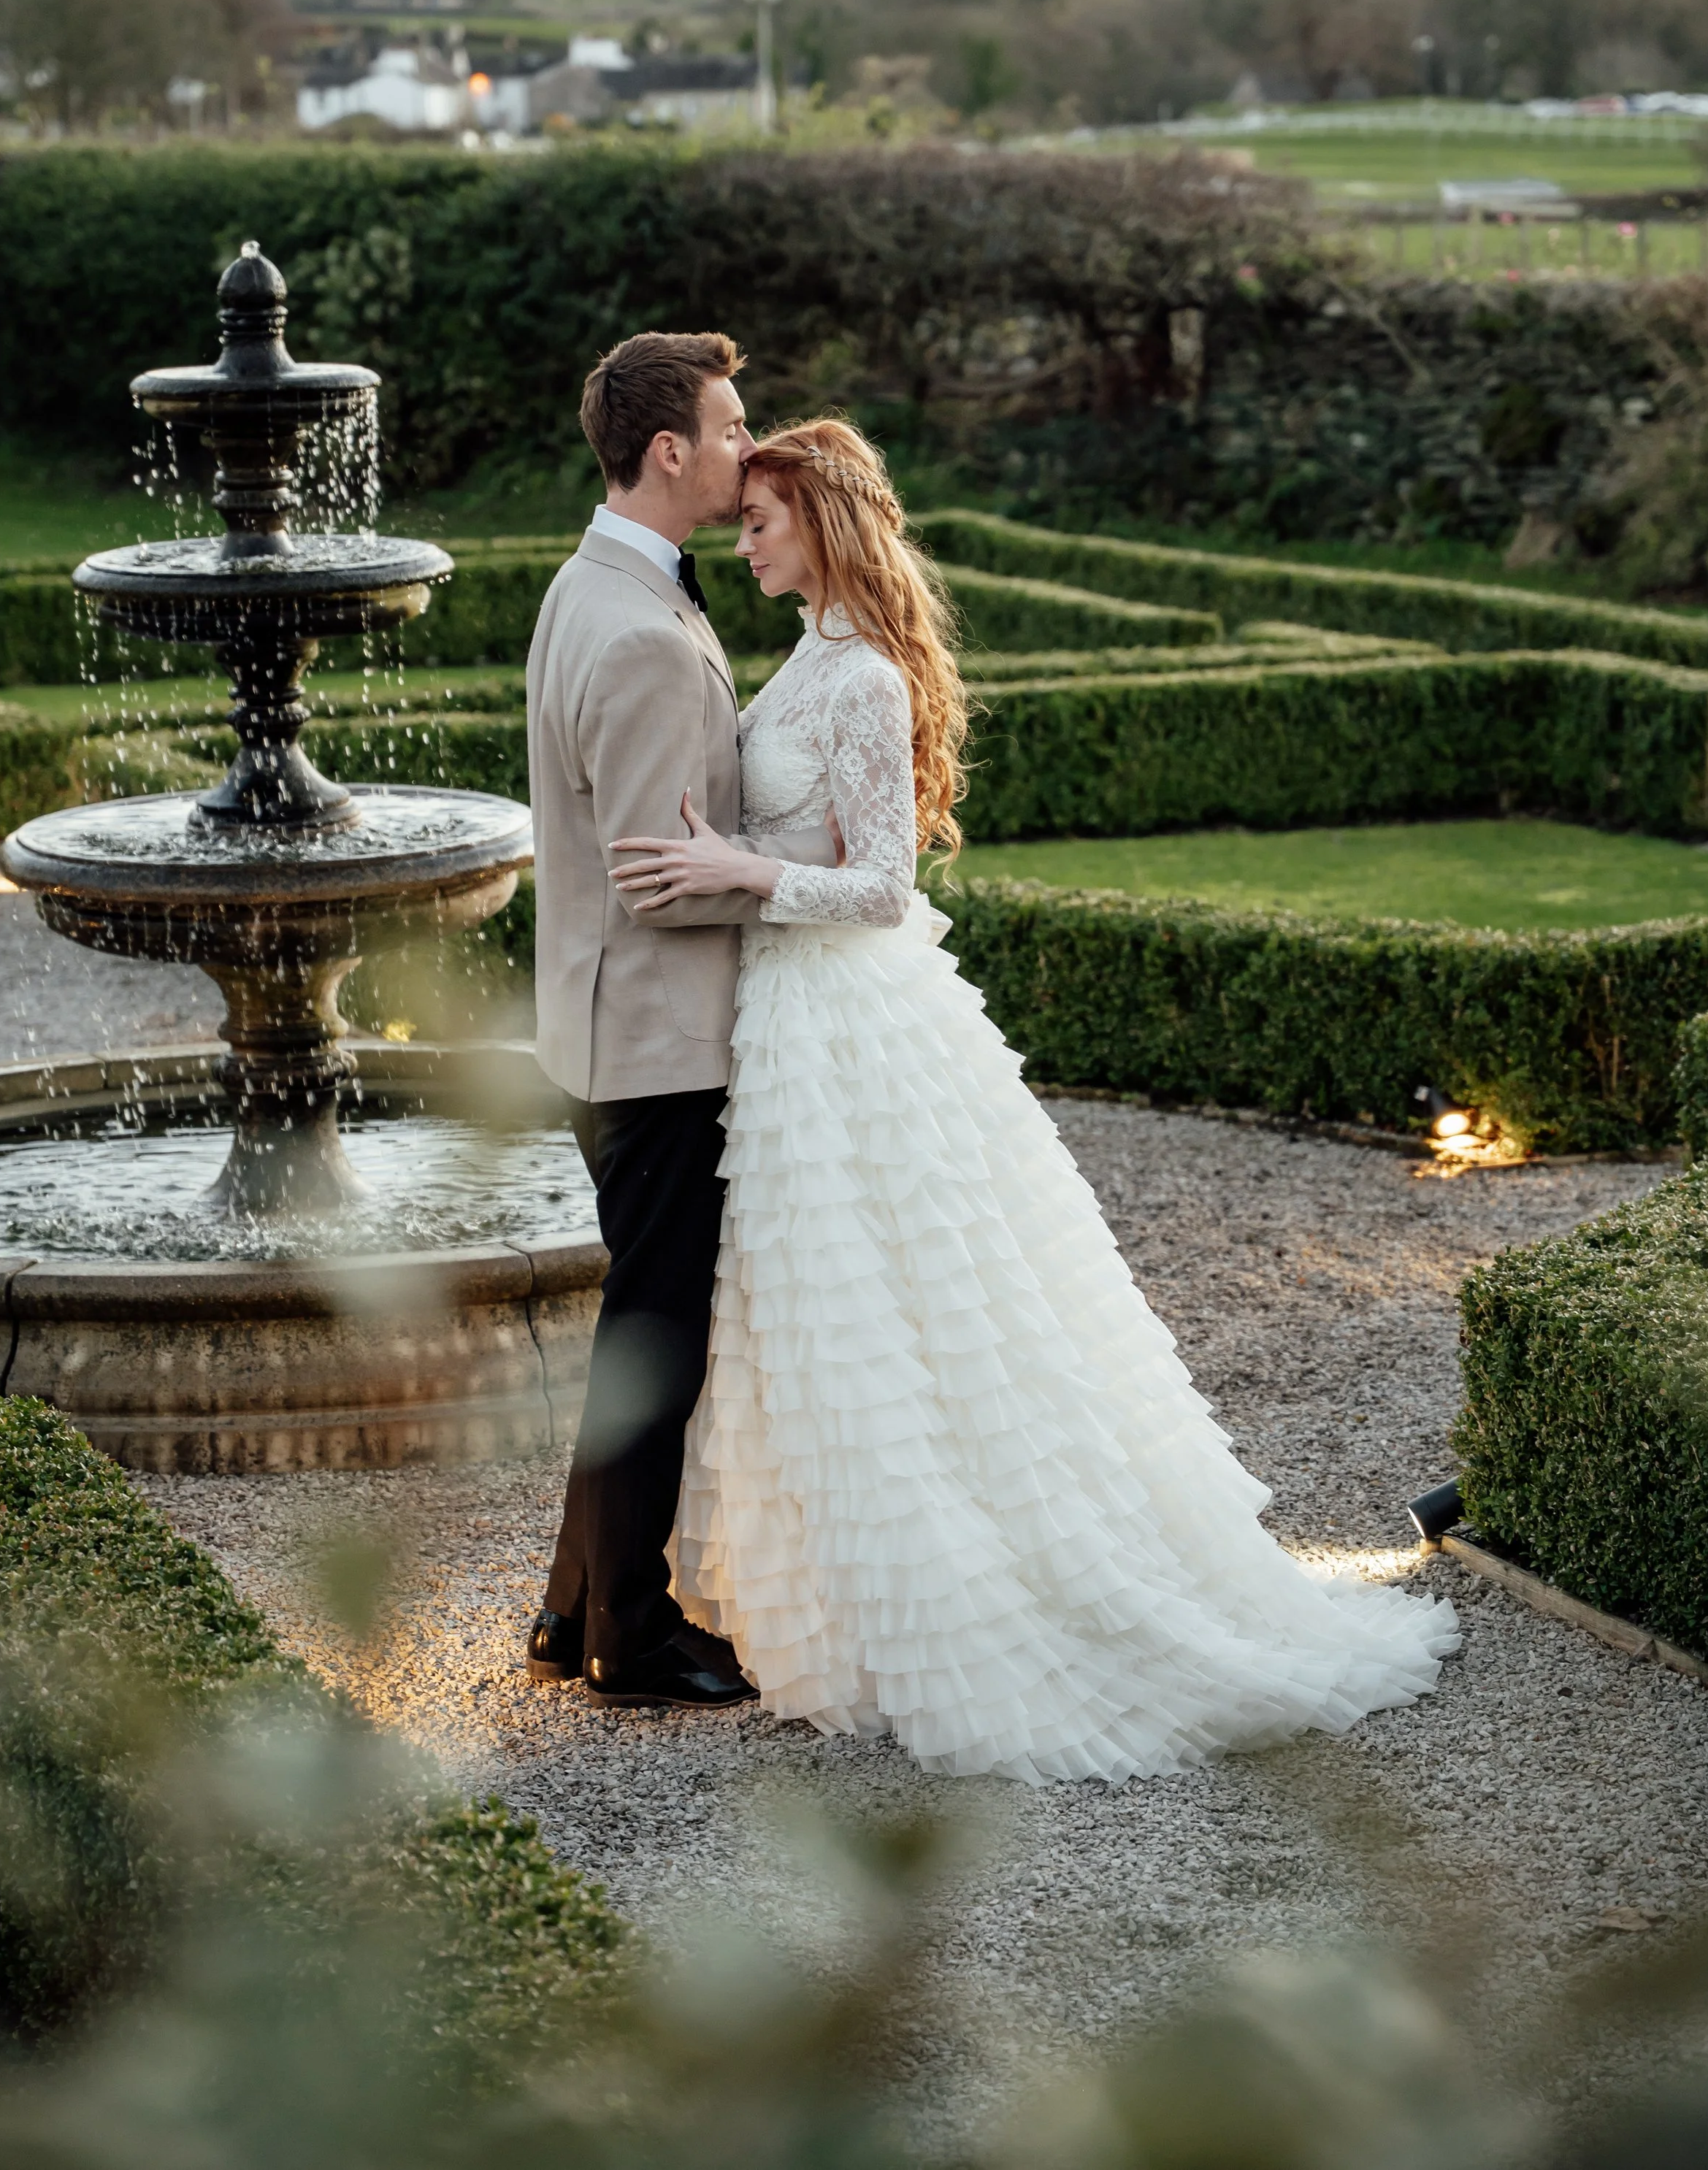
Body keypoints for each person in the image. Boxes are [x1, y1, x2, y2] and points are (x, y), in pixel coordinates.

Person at [608, 418, 1459, 1784]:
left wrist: (743, 872)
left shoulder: (869, 678)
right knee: (833, 1315)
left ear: (822, 523)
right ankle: (861, 1605)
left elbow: (886, 886)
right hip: (794, 1026)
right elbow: (795, 833)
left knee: (909, 1305)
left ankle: (987, 1601)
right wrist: (728, 859)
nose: (745, 537)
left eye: (763, 519)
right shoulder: (813, 654)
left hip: (853, 1022)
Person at [523, 331, 840, 1709]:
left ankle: (575, 1607)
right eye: (728, 427)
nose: (742, 445)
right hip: (655, 1044)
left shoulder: (590, 582)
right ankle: (632, 1638)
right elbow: (665, 884)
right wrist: (795, 891)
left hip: (606, 1035)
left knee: (632, 1331)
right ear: (669, 450)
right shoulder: (646, 635)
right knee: (659, 1338)